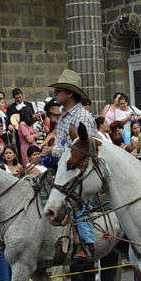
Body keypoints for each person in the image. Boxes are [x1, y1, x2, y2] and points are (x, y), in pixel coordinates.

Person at [47, 69, 98, 260]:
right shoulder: (64, 115)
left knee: (78, 199)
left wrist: (52, 151)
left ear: (69, 93)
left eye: (58, 90)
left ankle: (86, 242)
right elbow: (62, 143)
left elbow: (82, 148)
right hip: (63, 162)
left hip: (80, 166)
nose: (55, 94)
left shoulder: (82, 117)